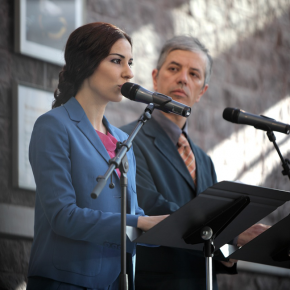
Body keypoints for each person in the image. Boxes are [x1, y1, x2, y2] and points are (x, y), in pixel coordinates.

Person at [26, 22, 167, 290]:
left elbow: (133, 214)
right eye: (117, 61)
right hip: (66, 281)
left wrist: (170, 228)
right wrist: (141, 221)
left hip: (120, 282)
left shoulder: (124, 139)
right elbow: (63, 216)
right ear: (85, 62)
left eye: (130, 62)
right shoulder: (53, 126)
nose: (129, 73)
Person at [121, 36, 269, 289]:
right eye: (174, 68)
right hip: (153, 282)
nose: (183, 79)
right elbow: (151, 207)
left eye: (194, 74)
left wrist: (229, 249)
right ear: (155, 77)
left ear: (202, 91)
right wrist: (230, 231)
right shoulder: (127, 140)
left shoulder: (203, 159)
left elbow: (214, 220)